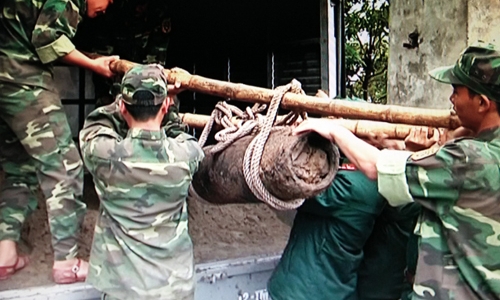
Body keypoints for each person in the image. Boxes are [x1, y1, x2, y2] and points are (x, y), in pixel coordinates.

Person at [293, 42, 500, 299]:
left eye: (457, 91)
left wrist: (336, 131)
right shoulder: (475, 152)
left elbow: (376, 166)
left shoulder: (466, 159)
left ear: (482, 103)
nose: (451, 99)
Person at [0, 0, 118, 283]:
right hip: (21, 80)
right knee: (65, 167)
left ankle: (5, 255)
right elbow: (48, 38)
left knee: (19, 167)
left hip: (5, 77)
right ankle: (67, 262)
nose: (110, 3)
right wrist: (93, 65)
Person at [80, 64, 204, 300]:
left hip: (124, 291)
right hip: (175, 289)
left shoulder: (102, 154)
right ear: (165, 106)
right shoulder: (187, 154)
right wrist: (169, 102)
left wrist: (124, 98)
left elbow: (97, 123)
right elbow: (177, 130)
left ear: (123, 108)